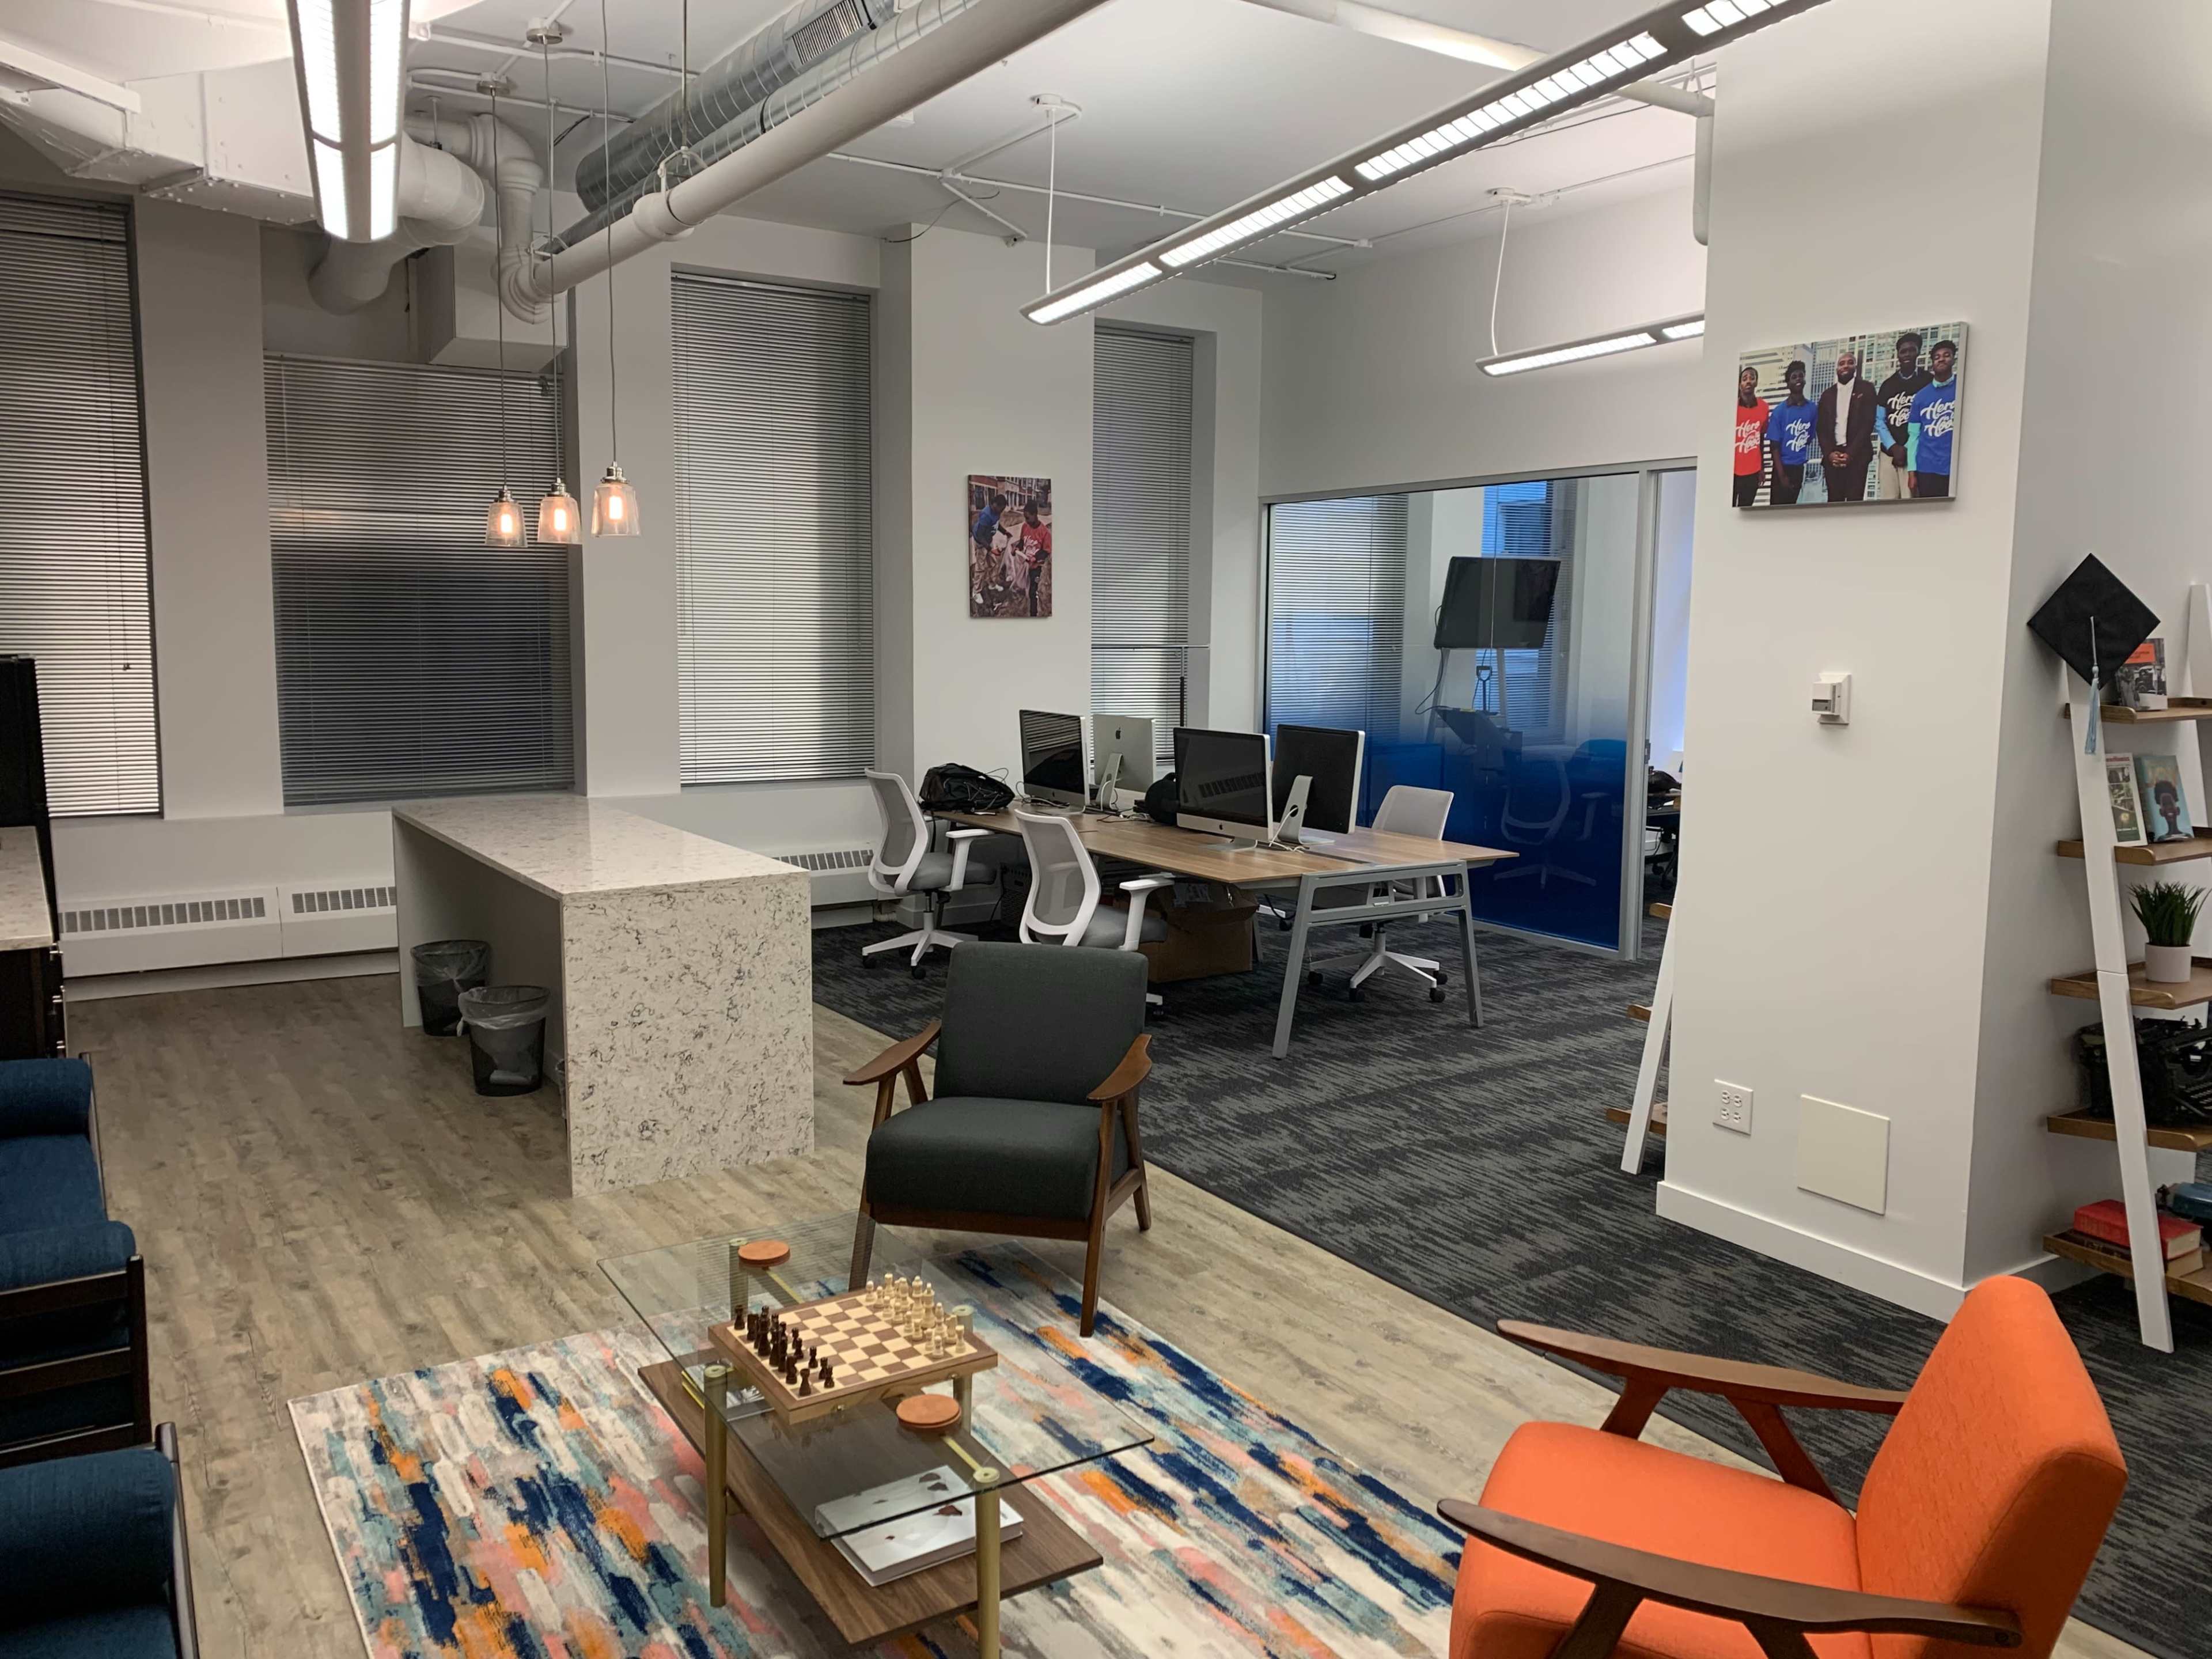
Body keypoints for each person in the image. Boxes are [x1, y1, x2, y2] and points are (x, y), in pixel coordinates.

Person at [1815, 347, 1879, 503]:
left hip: (1857, 456)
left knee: (1854, 503)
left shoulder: (1867, 389)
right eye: (1842, 363)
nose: (1845, 366)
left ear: (1855, 367)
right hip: (1833, 458)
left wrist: (1850, 454)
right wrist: (1830, 453)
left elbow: (1867, 424)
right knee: (1834, 503)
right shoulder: (1827, 395)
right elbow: (1821, 428)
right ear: (1837, 368)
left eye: (1850, 363)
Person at [1874, 332, 1931, 501]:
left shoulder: (1927, 380)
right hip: (1888, 454)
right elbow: (1879, 421)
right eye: (1903, 351)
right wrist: (1893, 447)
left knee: (1911, 501)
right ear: (1897, 355)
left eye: (1911, 350)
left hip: (1914, 454)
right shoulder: (1887, 385)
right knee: (1888, 502)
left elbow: (1928, 419)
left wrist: (1907, 448)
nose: (1907, 355)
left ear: (1918, 352)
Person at [1906, 340, 1960, 499]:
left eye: (1946, 356)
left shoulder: (1963, 388)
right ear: (1932, 364)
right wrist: (1912, 472)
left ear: (1954, 360)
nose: (1941, 359)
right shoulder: (1921, 397)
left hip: (1954, 466)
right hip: (1927, 468)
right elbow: (1913, 436)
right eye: (1937, 357)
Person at [1764, 360, 1816, 505]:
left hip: (1799, 468)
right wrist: (1782, 476)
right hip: (1782, 468)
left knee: (1792, 509)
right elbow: (1774, 447)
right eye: (1794, 377)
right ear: (1788, 384)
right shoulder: (1780, 412)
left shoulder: (1812, 409)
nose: (1798, 379)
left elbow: (1809, 437)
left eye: (1801, 376)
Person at [1732, 365, 1768, 507]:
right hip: (1733, 470)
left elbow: (1762, 439)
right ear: (1739, 384)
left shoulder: (1764, 407)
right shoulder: (1732, 407)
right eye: (1744, 379)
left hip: (1753, 470)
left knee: (1745, 510)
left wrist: (1762, 468)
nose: (1748, 381)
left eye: (1752, 378)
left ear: (1756, 383)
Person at [970, 490, 1007, 607]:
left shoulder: (997, 511)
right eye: (1000, 509)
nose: (1001, 512)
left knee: (993, 563)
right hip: (981, 543)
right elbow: (980, 536)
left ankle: (991, 584)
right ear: (994, 504)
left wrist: (1005, 532)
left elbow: (996, 524)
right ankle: (976, 592)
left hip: (988, 540)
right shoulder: (986, 515)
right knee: (981, 568)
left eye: (1003, 509)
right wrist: (991, 550)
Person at [1016, 500, 1052, 616]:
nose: (1026, 521)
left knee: (1033, 591)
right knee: (1021, 588)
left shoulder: (1044, 532)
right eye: (1025, 518)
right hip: (1025, 565)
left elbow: (1047, 551)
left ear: (1035, 515)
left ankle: (1033, 614)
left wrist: (1036, 558)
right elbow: (1022, 542)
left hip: (1036, 567)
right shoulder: (1025, 527)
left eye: (1028, 518)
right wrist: (1016, 548)